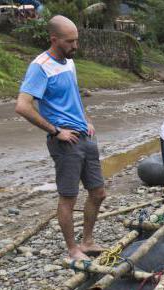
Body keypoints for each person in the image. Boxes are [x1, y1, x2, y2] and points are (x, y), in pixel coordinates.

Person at [15, 15, 105, 261]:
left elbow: (72, 96)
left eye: (76, 40)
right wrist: (55, 131)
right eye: (70, 41)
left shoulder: (68, 61)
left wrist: (85, 119)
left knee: (98, 193)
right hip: (65, 141)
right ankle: (72, 249)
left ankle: (87, 241)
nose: (75, 46)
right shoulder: (40, 66)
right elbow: (22, 106)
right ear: (54, 40)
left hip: (84, 136)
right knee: (68, 197)